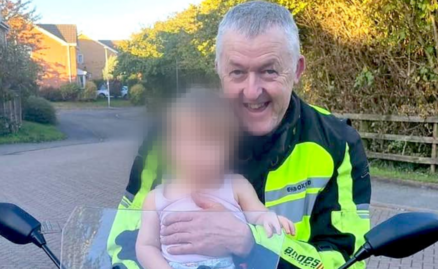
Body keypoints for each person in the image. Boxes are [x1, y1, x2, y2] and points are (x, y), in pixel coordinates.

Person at [107, 2, 371, 269]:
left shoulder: (337, 143)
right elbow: (123, 245)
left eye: (269, 71)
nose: (252, 91)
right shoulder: (172, 136)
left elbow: (348, 260)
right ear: (219, 70)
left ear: (298, 70)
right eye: (237, 72)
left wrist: (250, 243)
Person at [136, 91, 295, 269]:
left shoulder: (236, 186)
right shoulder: (156, 198)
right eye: (187, 142)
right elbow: (146, 246)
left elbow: (257, 213)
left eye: (210, 144)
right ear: (171, 148)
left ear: (229, 149)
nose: (197, 155)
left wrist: (269, 219)